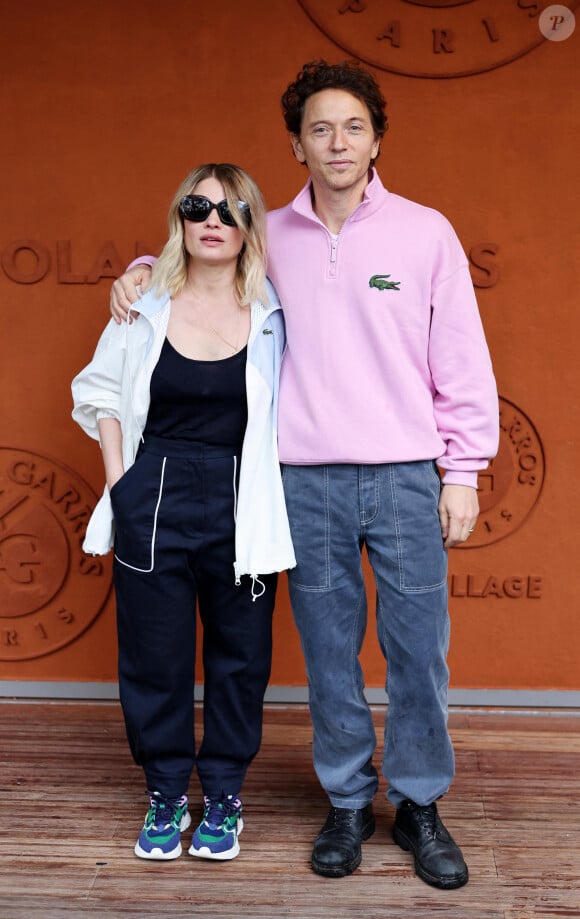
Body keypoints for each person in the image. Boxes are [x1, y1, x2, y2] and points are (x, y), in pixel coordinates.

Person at [109, 61, 499, 889]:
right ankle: (350, 802)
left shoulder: (426, 233)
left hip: (404, 473)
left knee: (418, 652)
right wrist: (143, 266)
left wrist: (461, 470)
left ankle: (420, 803)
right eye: (320, 128)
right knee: (328, 655)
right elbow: (202, 255)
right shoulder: (270, 236)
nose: (338, 142)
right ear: (297, 143)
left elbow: (461, 357)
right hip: (303, 480)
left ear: (377, 139)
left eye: (353, 127)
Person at [72, 163, 295, 863]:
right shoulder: (144, 306)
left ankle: (224, 792)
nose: (213, 220)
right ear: (180, 216)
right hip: (156, 493)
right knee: (154, 655)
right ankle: (166, 791)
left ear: (250, 226)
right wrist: (121, 486)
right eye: (199, 205)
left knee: (241, 657)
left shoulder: (274, 313)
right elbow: (101, 392)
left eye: (231, 210)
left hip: (242, 498)